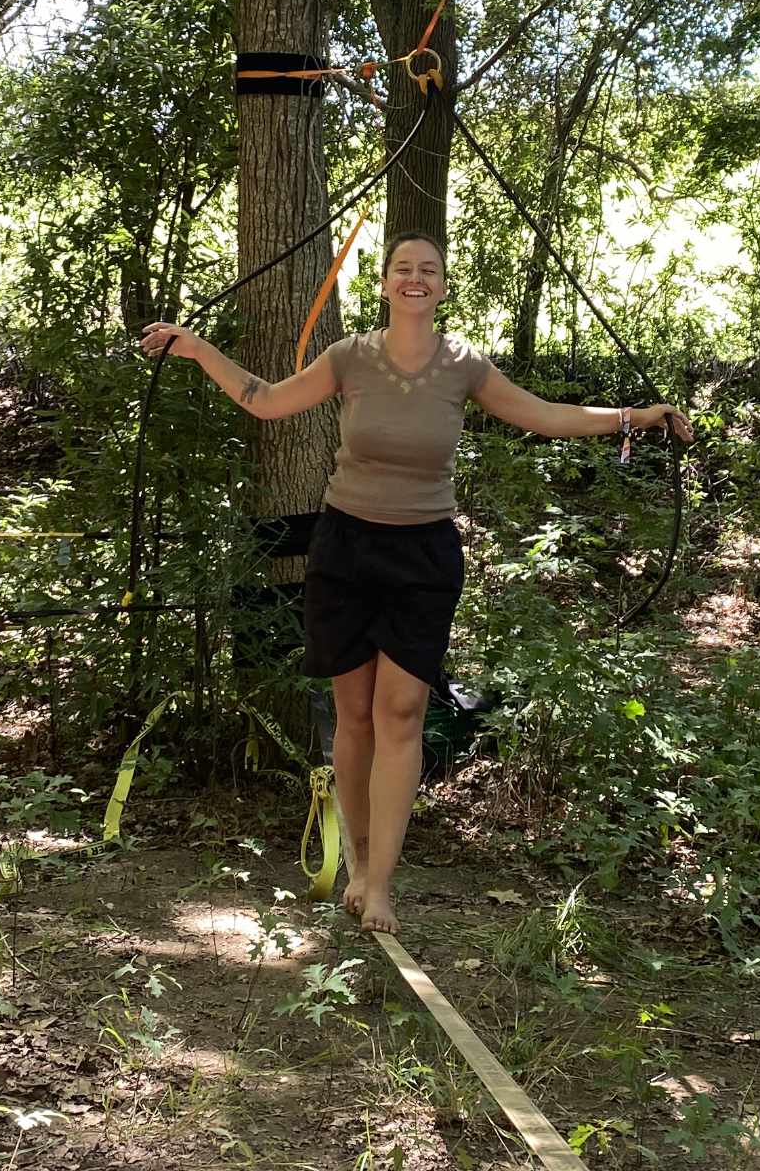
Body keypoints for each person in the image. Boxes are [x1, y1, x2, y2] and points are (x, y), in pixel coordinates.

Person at [138, 231, 694, 932]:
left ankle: (380, 886)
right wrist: (196, 348)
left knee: (401, 715)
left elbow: (542, 416)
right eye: (403, 268)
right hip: (344, 549)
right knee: (355, 716)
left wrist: (632, 417)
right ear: (383, 283)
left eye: (428, 270)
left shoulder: (463, 366)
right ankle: (360, 860)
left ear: (443, 286)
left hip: (423, 556)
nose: (415, 279)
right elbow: (266, 399)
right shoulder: (350, 357)